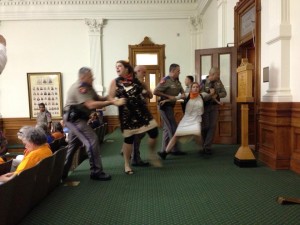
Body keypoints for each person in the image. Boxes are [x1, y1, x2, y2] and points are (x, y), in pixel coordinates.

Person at [62, 67, 125, 181]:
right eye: (90, 76)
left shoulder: (88, 87)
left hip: (78, 118)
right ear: (83, 77)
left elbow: (99, 99)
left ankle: (62, 173)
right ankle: (96, 171)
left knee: (73, 145)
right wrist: (111, 102)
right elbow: (91, 105)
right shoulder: (80, 87)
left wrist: (111, 95)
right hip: (74, 119)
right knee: (92, 140)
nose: (93, 78)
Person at [108, 60, 161, 175]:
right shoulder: (115, 82)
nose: (117, 68)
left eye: (119, 66)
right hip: (127, 115)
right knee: (129, 139)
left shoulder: (136, 80)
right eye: (116, 66)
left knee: (154, 132)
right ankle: (127, 164)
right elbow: (110, 98)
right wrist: (116, 102)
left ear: (127, 68)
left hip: (142, 112)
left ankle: (152, 154)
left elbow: (148, 93)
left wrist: (147, 91)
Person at [160, 82, 205, 159]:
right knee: (176, 136)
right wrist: (166, 101)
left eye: (197, 87)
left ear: (199, 88)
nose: (195, 88)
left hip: (196, 119)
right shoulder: (187, 95)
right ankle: (165, 153)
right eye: (194, 87)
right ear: (191, 88)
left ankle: (202, 150)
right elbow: (175, 98)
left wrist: (215, 96)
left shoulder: (202, 96)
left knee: (198, 135)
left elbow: (211, 96)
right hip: (186, 119)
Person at [153, 63, 185, 160]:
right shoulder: (165, 80)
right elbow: (155, 91)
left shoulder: (177, 82)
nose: (179, 72)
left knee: (167, 129)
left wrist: (182, 94)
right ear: (173, 71)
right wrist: (168, 96)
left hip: (171, 107)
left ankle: (165, 150)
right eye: (178, 71)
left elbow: (182, 91)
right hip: (163, 106)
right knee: (172, 128)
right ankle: (172, 149)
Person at [200, 67, 227, 155]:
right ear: (212, 74)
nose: (218, 76)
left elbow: (224, 93)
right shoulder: (203, 82)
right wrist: (209, 95)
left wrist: (217, 94)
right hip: (205, 107)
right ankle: (203, 144)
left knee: (212, 126)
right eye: (217, 74)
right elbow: (200, 96)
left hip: (214, 107)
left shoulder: (218, 81)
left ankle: (207, 147)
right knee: (205, 127)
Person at [131, 65, 153, 167]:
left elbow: (151, 96)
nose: (145, 74)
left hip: (142, 111)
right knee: (137, 134)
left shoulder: (143, 83)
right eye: (143, 72)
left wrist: (147, 90)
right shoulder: (131, 82)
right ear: (138, 71)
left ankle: (133, 155)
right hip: (134, 112)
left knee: (141, 133)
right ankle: (135, 158)